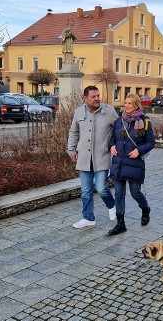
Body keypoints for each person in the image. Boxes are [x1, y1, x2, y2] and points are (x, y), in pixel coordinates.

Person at [67, 86, 118, 229]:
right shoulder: (78, 112)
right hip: (84, 157)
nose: (97, 98)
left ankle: (111, 204)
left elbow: (119, 131)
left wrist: (114, 146)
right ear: (85, 98)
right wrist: (71, 151)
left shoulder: (109, 111)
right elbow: (73, 133)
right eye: (93, 96)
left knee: (101, 188)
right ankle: (88, 218)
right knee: (85, 190)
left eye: (98, 95)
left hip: (102, 156)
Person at [107, 94, 156, 236]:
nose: (127, 106)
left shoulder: (144, 122)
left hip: (134, 163)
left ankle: (145, 208)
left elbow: (151, 142)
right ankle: (120, 224)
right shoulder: (119, 121)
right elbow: (112, 138)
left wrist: (139, 150)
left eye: (130, 103)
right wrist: (111, 146)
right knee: (118, 194)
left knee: (135, 193)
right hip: (119, 163)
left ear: (136, 105)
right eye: (126, 103)